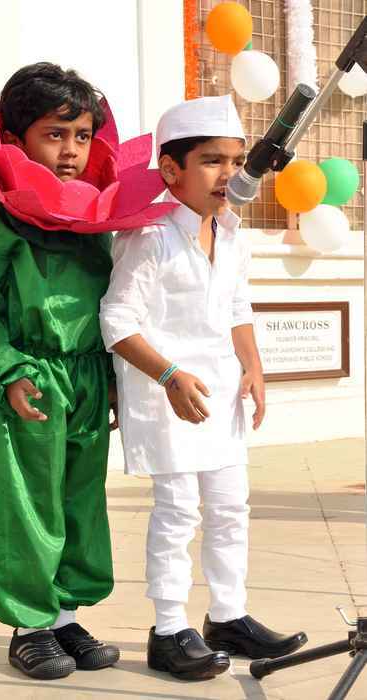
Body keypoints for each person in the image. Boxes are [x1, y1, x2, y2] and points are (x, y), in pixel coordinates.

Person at [100, 95, 307, 681]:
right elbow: (117, 320)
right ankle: (169, 630)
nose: (229, 174)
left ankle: (228, 617)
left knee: (230, 508)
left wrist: (253, 367)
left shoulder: (232, 234)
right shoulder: (150, 236)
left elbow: (237, 306)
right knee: (177, 511)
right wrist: (168, 376)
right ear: (171, 170)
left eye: (237, 161)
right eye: (213, 161)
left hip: (219, 393)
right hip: (166, 394)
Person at [0, 62, 121, 680]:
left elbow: (111, 307)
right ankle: (29, 625)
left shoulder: (93, 225)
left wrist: (111, 380)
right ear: (15, 138)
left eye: (82, 136)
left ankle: (64, 614)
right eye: (55, 134)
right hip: (29, 382)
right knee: (26, 501)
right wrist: (6, 372)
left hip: (85, 380)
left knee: (80, 500)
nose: (71, 150)